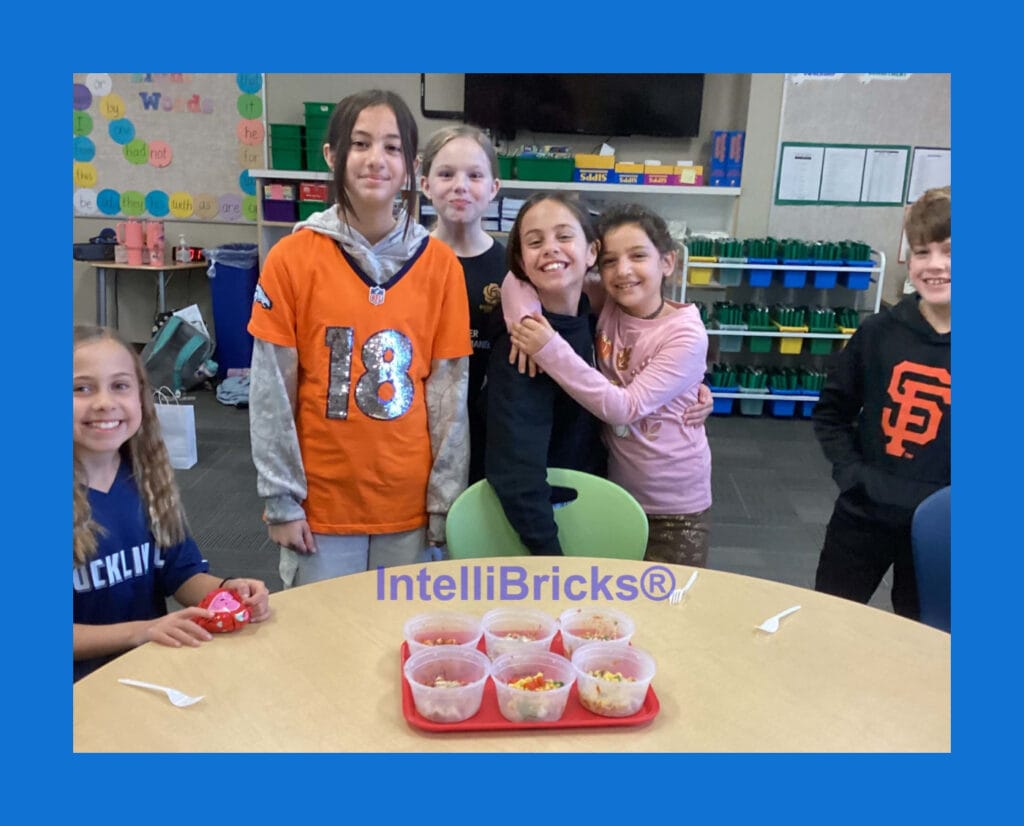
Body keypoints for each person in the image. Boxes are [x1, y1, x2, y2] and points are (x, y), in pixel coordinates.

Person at [247, 90, 472, 588]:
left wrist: (444, 503)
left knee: (400, 640)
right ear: (332, 156)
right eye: (360, 143)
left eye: (392, 148)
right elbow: (271, 393)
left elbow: (448, 399)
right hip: (322, 505)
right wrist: (280, 499)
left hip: (407, 505)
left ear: (411, 164)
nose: (376, 160)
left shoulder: (440, 267)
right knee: (322, 648)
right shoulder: (292, 258)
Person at [508, 203, 713, 566]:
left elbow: (623, 408)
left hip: (673, 509)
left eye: (638, 256)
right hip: (615, 494)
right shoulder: (610, 301)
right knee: (614, 609)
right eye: (609, 261)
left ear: (666, 262)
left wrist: (548, 348)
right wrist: (524, 321)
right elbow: (519, 279)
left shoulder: (685, 334)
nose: (623, 271)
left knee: (669, 610)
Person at [73, 325, 271, 682]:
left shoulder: (146, 479)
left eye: (120, 386)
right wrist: (142, 631)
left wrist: (227, 591)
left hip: (145, 673)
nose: (104, 402)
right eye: (81, 388)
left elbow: (180, 573)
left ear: (140, 397)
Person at [812, 185, 951, 618]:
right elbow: (831, 411)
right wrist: (853, 475)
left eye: (949, 251)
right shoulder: (879, 332)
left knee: (924, 636)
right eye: (922, 252)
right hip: (864, 512)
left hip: (942, 524)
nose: (935, 265)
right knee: (829, 619)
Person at [485, 192, 606, 556]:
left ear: (592, 252)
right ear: (522, 261)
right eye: (535, 242)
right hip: (542, 533)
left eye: (564, 236)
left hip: (593, 512)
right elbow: (517, 474)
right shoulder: (523, 348)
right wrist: (553, 560)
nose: (551, 249)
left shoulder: (596, 320)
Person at [420, 125, 504, 484]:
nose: (460, 185)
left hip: (485, 425)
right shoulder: (406, 259)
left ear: (493, 189)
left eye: (474, 175)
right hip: (416, 421)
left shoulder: (513, 268)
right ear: (425, 184)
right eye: (446, 173)